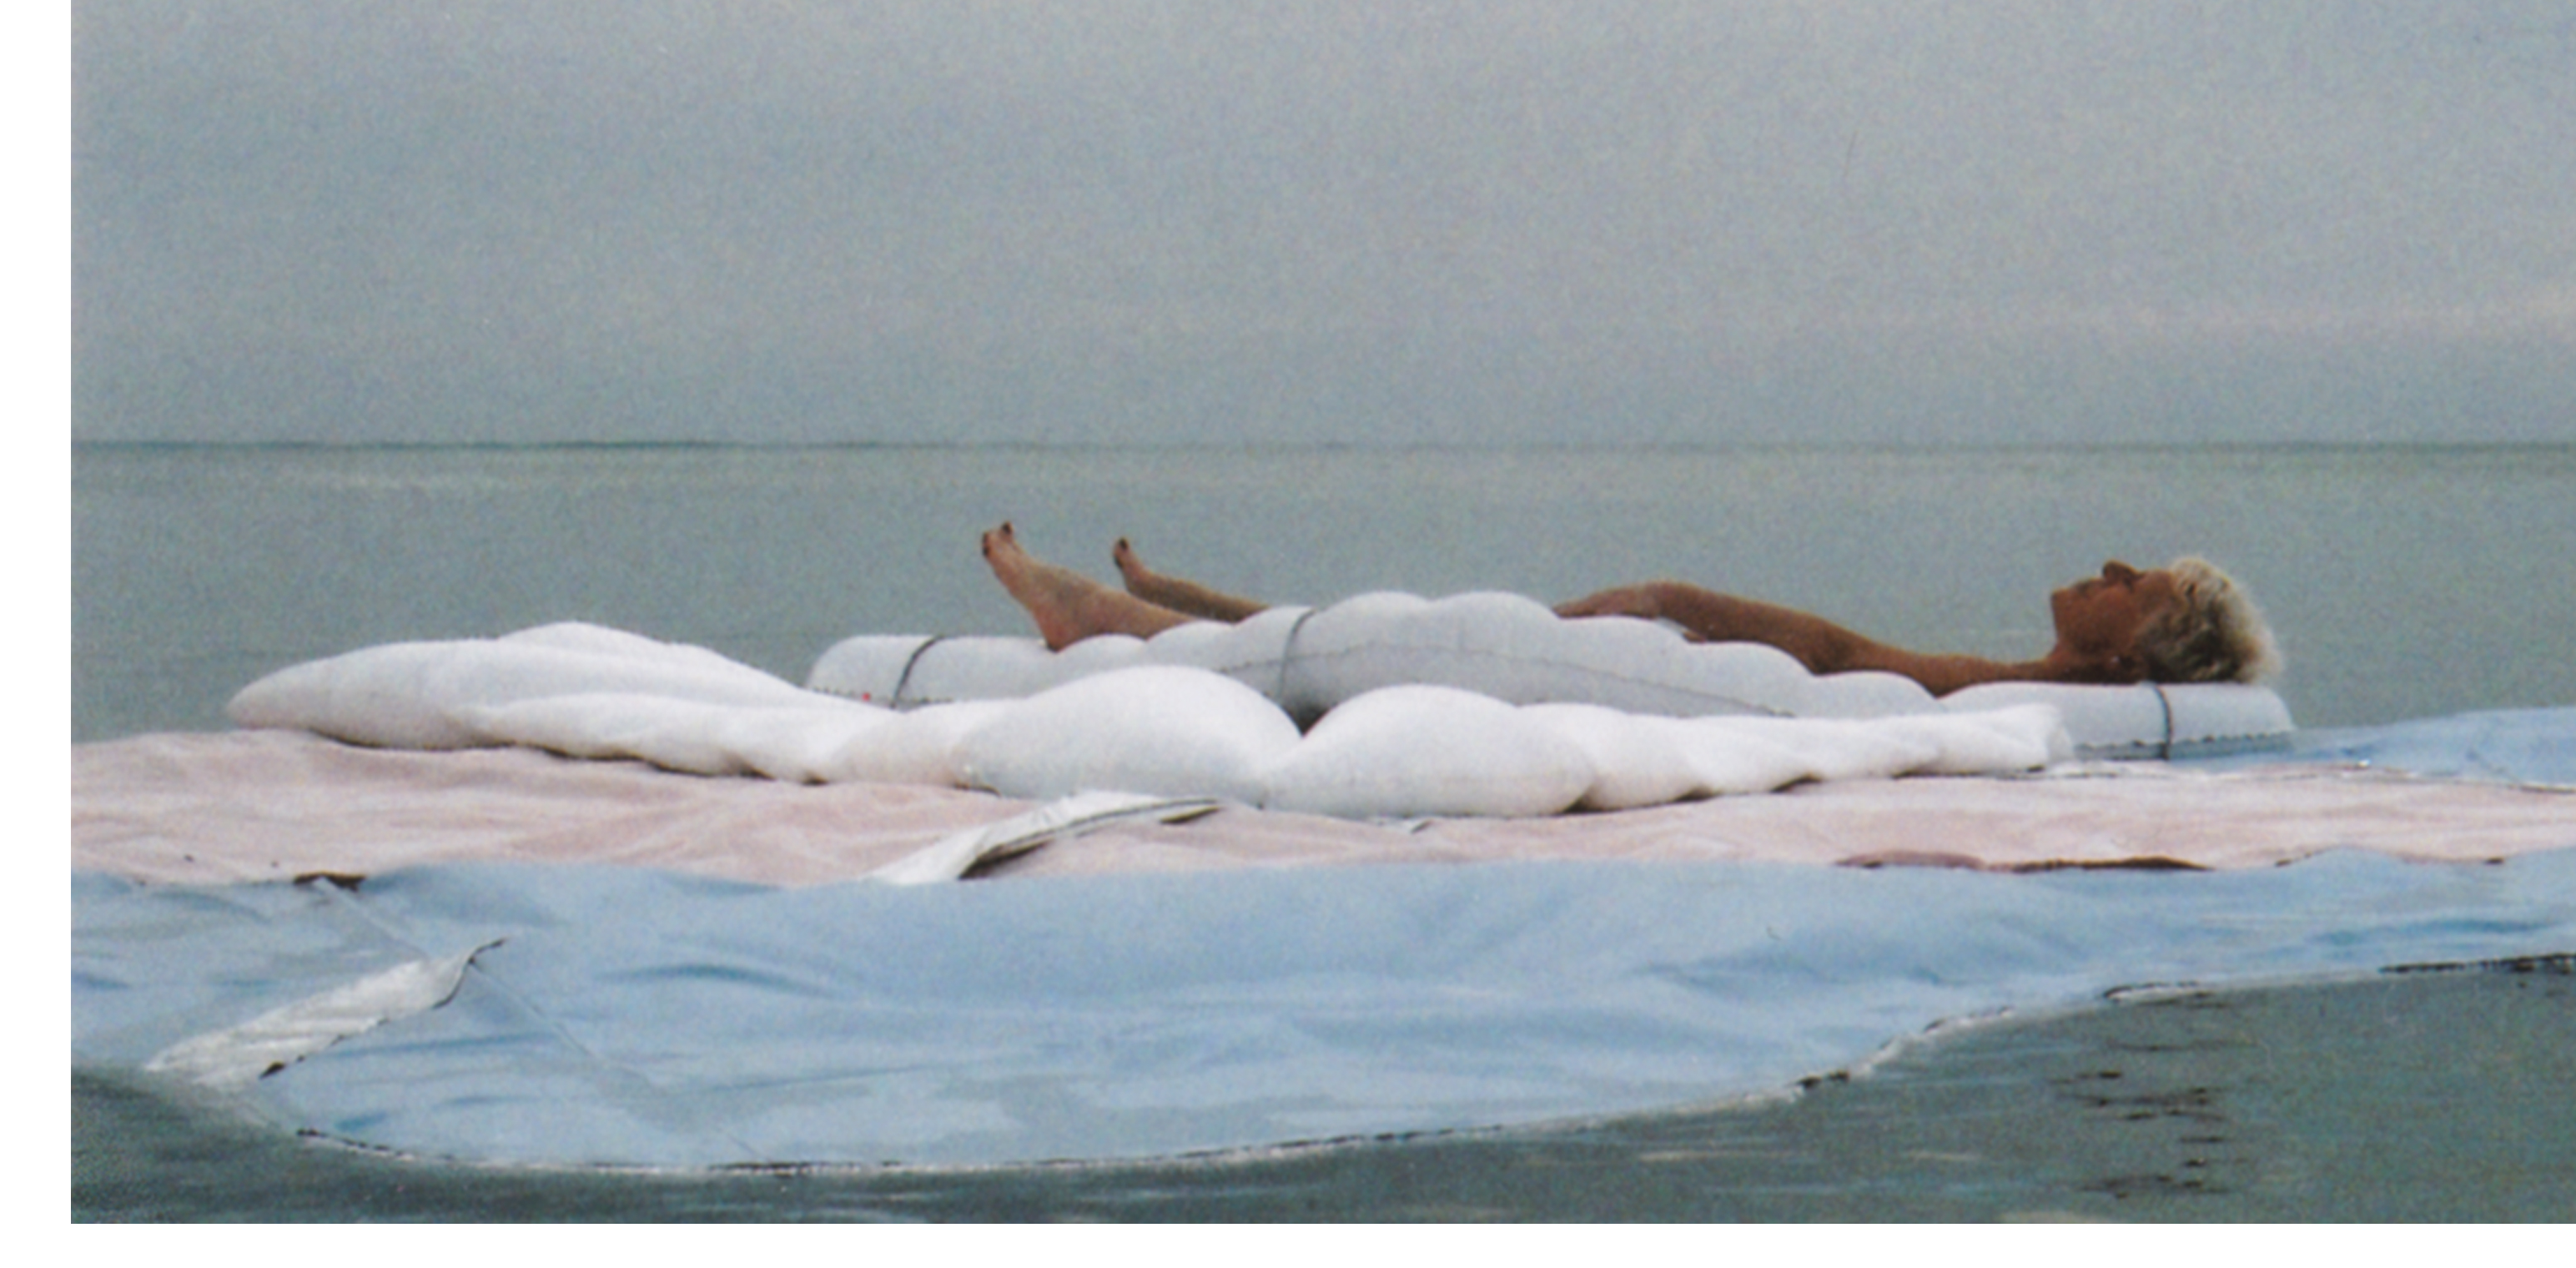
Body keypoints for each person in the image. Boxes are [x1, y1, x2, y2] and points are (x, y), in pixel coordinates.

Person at [975, 523, 2279, 697]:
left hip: (1675, 672)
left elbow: (1848, 655)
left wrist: (1679, 601)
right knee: (1410, 636)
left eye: (2140, 589)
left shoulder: (2043, 697)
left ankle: (1109, 614)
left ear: (2140, 652)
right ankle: (1157, 605)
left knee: (1420, 645)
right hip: (1680, 663)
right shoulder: (2040, 685)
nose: (2113, 568)